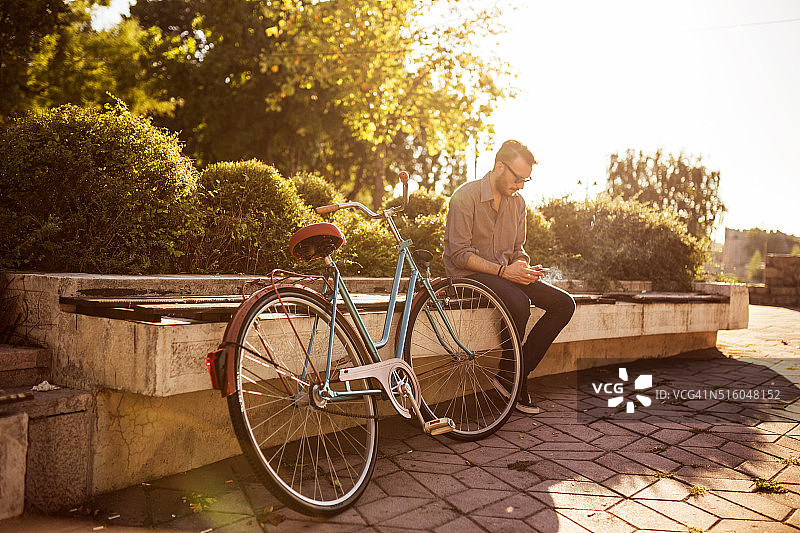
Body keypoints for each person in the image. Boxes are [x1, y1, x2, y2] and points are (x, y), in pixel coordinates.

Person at [443, 139, 576, 414]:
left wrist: (522, 266)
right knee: (517, 302)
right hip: (469, 276)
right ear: (499, 167)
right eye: (518, 178)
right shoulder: (465, 196)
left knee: (564, 304)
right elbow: (458, 254)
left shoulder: (518, 203)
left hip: (506, 276)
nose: (521, 186)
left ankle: (513, 373)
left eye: (527, 180)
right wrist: (505, 271)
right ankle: (515, 378)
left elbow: (518, 250)